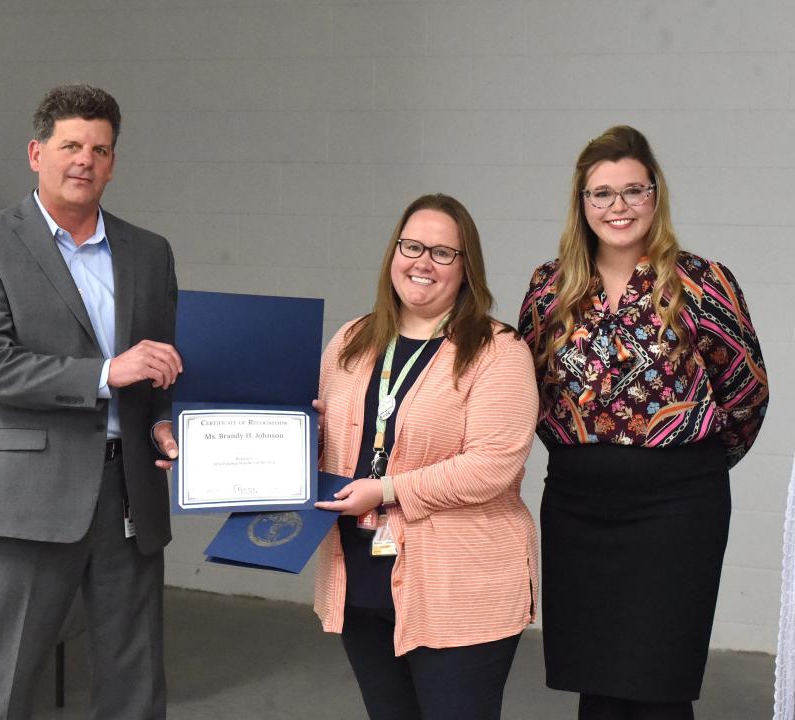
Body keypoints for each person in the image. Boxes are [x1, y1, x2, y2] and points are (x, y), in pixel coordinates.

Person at [518, 125, 769, 720]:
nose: (618, 207)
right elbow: (520, 388)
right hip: (579, 504)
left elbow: (746, 392)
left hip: (678, 508)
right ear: (581, 204)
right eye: (601, 194)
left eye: (634, 190)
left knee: (660, 684)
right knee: (597, 681)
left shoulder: (703, 283)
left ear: (656, 197)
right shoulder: (548, 289)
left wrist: (688, 460)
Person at [0, 84, 181, 719]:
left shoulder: (150, 252)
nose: (85, 160)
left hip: (129, 494)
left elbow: (160, 370)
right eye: (70, 145)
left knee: (135, 684)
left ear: (113, 162)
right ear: (36, 152)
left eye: (100, 149)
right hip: (27, 494)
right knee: (1, 685)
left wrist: (162, 423)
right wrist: (108, 372)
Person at [312, 193, 539, 719]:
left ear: (466, 268)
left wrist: (388, 490)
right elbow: (330, 440)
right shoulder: (352, 339)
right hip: (362, 577)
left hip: (460, 585)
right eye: (411, 246)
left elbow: (494, 464)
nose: (422, 263)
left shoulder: (498, 351)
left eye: (442, 253)